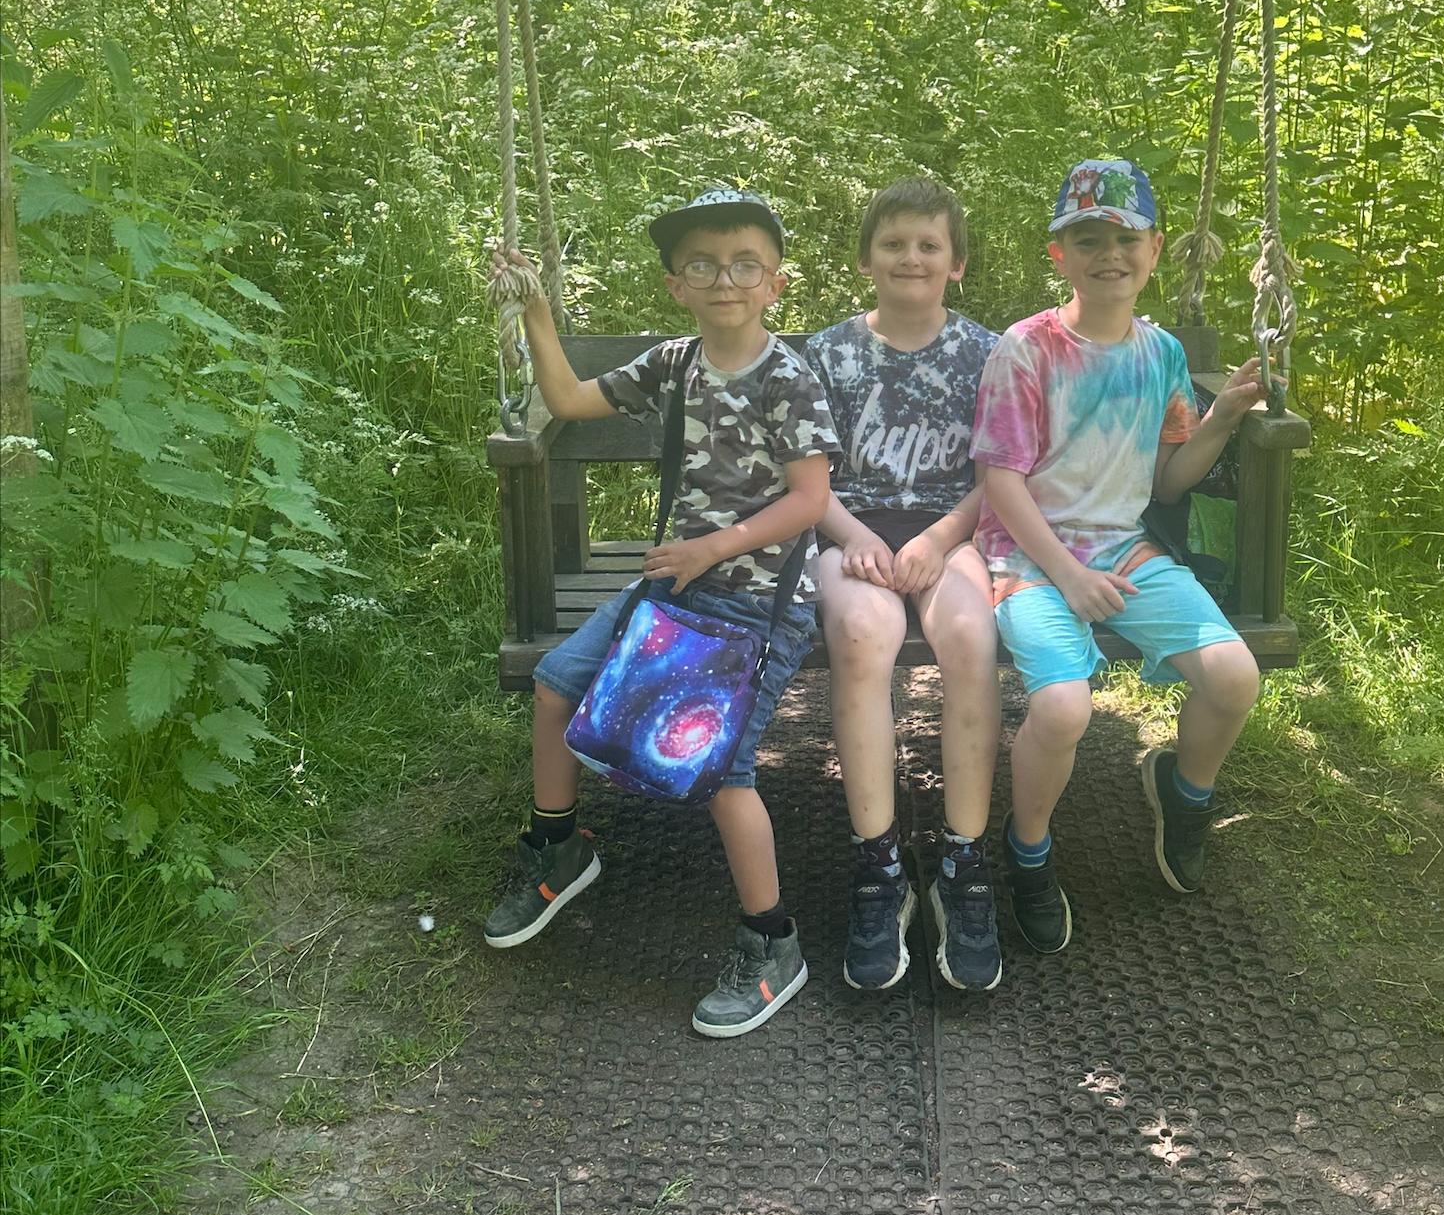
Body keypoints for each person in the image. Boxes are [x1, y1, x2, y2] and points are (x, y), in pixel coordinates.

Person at [485, 187, 840, 1040]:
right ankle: (560, 847)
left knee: (723, 772)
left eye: (745, 265)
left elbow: (811, 500)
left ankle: (772, 943)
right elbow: (569, 399)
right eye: (702, 266)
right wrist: (536, 312)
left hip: (758, 598)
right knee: (556, 683)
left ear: (775, 283)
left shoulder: (788, 377)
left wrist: (711, 549)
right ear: (677, 285)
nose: (725, 280)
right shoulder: (674, 364)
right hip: (674, 584)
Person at [970, 158, 1264, 949]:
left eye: (1126, 238)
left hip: (1124, 550)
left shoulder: (1160, 353)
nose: (1110, 254)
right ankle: (1029, 850)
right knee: (1063, 708)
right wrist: (1068, 576)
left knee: (1235, 678)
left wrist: (1221, 420)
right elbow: (1000, 482)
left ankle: (1184, 792)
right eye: (1088, 239)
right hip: (1028, 558)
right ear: (1059, 254)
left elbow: (1167, 481)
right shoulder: (1026, 349)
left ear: (1155, 249)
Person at [806, 178, 1002, 993]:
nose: (910, 258)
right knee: (861, 634)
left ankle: (962, 863)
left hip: (949, 531)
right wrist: (853, 536)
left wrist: (940, 538)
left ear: (957, 263)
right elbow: (806, 477)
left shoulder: (990, 353)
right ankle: (879, 866)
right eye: (893, 244)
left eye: (928, 245)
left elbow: (1002, 476)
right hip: (847, 529)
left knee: (970, 633)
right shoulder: (827, 354)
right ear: (865, 259)